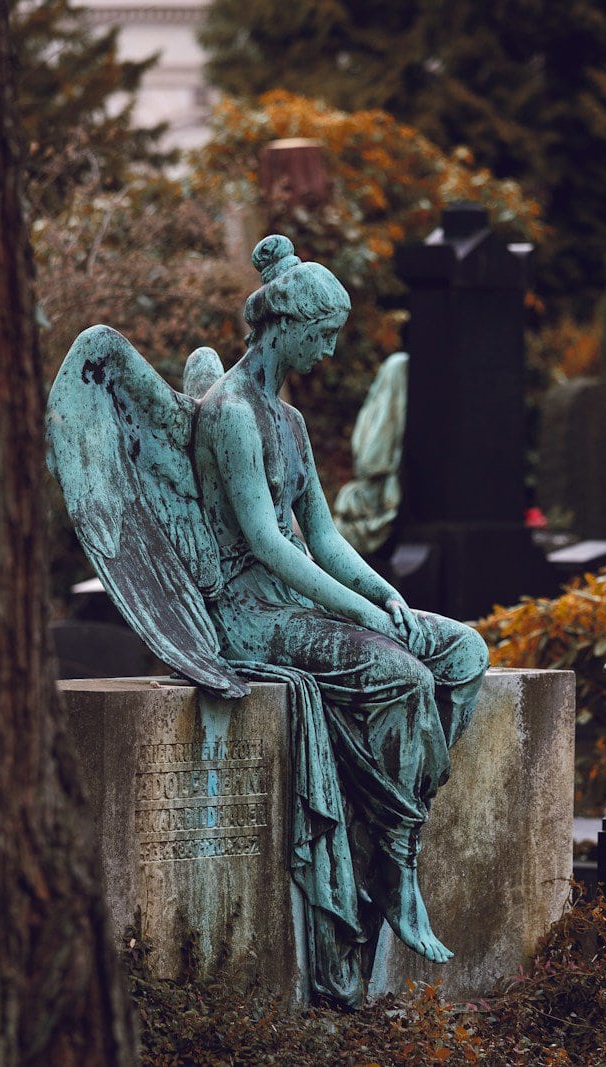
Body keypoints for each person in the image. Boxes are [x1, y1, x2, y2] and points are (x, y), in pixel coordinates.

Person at [192, 235, 488, 972]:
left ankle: (388, 830)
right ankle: (396, 861)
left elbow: (322, 535)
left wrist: (383, 591)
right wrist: (355, 614)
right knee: (404, 676)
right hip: (247, 614)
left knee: (463, 652)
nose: (328, 351)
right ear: (282, 324)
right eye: (321, 335)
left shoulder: (289, 422)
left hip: (296, 600)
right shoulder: (230, 411)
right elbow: (267, 542)